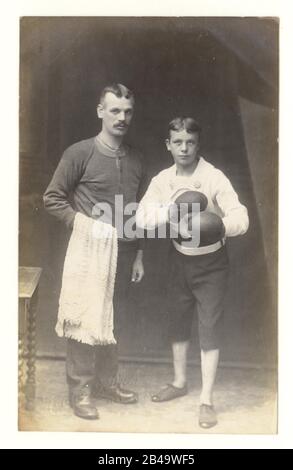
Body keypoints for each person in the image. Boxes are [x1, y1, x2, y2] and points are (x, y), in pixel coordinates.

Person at [136, 117, 249, 428]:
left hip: (212, 264)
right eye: (178, 142)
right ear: (168, 145)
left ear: (198, 144)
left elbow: (242, 215)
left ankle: (206, 400)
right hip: (178, 259)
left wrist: (218, 225)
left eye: (190, 142)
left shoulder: (213, 177)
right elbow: (142, 217)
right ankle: (179, 381)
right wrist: (170, 212)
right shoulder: (162, 180)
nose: (184, 148)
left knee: (209, 326)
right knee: (178, 319)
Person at [43, 83, 146, 420]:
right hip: (89, 252)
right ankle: (81, 390)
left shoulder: (136, 159)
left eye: (127, 111)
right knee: (85, 316)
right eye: (115, 110)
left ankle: (106, 382)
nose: (122, 117)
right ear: (100, 110)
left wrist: (140, 254)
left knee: (114, 319)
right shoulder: (79, 152)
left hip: (126, 252)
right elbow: (52, 197)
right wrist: (83, 224)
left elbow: (138, 212)